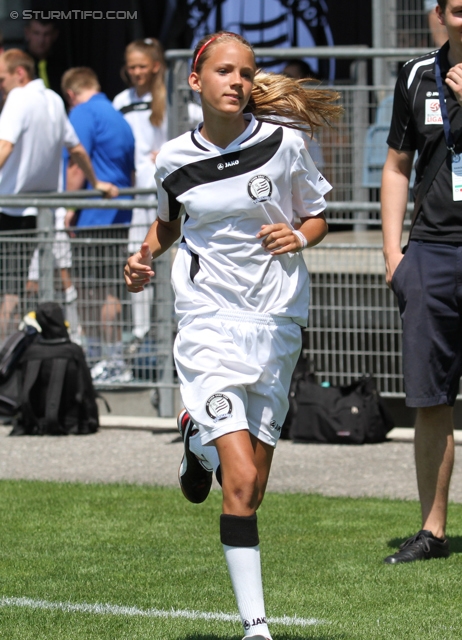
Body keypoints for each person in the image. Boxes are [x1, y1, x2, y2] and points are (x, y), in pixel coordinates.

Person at [125, 31, 341, 640]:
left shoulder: (284, 142)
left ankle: (195, 440)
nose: (237, 82)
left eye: (246, 73)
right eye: (224, 71)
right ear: (196, 81)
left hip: (276, 322)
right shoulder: (173, 158)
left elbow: (318, 214)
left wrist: (299, 237)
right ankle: (257, 628)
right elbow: (169, 223)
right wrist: (142, 257)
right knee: (239, 479)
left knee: (253, 489)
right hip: (208, 321)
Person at [381, 0, 462, 564]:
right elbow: (396, 166)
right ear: (439, 12)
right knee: (431, 399)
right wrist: (394, 255)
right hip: (431, 255)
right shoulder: (414, 74)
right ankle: (432, 532)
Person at [0, 50, 116, 339]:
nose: (0, 84)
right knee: (18, 290)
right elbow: (76, 148)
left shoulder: (18, 98)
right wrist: (96, 182)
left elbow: (4, 146)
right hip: (40, 214)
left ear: (20, 73)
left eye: (2, 78)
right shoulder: (53, 99)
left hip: (11, 211)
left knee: (10, 293)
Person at [113, 37, 201, 348]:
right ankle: (141, 333)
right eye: (131, 66)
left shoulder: (178, 101)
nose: (136, 72)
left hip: (172, 193)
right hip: (138, 195)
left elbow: (201, 132)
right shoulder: (121, 100)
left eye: (142, 66)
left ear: (155, 67)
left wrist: (170, 154)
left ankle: (175, 330)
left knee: (176, 262)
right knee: (140, 258)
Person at [61, 67, 135, 380]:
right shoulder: (119, 117)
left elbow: (78, 166)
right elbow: (129, 172)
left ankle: (104, 359)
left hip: (92, 215)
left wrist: (69, 205)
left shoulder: (82, 113)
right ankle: (108, 358)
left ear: (71, 94)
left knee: (94, 290)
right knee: (107, 289)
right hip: (117, 213)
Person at [23, 18, 67, 95]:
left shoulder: (63, 65)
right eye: (36, 33)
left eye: (46, 34)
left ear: (55, 35)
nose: (41, 40)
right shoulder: (20, 64)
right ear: (27, 33)